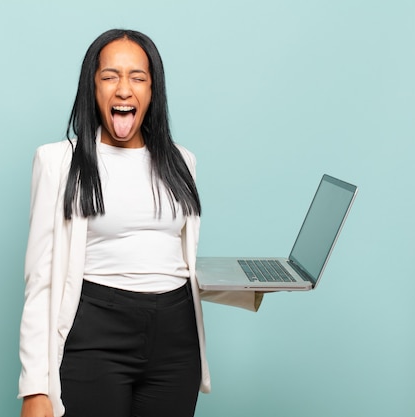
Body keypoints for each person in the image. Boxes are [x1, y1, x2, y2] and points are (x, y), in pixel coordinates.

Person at [18, 29, 264, 417]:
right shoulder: (58, 162)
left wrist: (247, 287)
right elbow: (40, 281)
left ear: (153, 91)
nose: (123, 89)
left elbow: (174, 261)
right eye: (110, 76)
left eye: (138, 77)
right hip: (96, 331)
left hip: (176, 340)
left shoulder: (182, 162)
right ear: (92, 87)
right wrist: (34, 388)